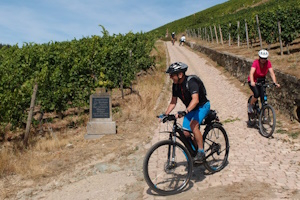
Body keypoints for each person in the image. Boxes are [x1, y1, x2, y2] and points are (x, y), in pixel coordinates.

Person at [161, 62, 210, 162]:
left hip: (202, 106)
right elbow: (173, 101)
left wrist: (185, 111)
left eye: (172, 75)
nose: (170, 77)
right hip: (191, 108)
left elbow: (195, 100)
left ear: (180, 74)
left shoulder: (191, 82)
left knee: (193, 125)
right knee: (185, 133)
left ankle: (201, 152)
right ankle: (194, 151)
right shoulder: (175, 86)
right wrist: (165, 114)